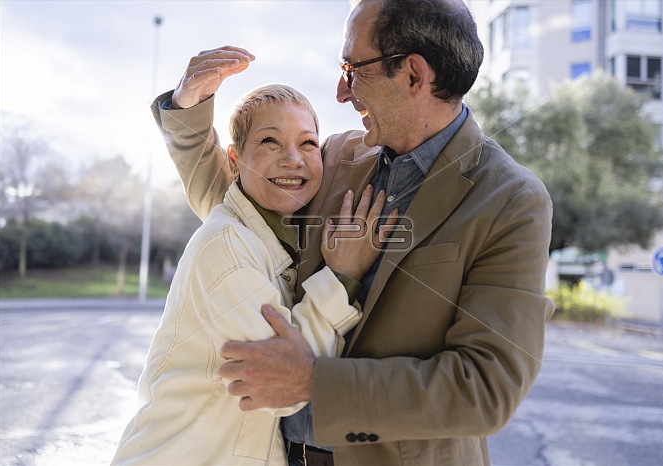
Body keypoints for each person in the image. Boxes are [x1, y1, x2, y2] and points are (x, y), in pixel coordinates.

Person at [151, 0, 555, 464]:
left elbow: (484, 388)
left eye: (352, 69)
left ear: (413, 75)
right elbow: (240, 204)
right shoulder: (335, 157)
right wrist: (188, 110)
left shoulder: (511, 199)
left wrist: (312, 382)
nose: (342, 92)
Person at [113, 82, 396, 465]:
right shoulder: (227, 248)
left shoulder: (273, 238)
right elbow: (279, 383)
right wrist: (342, 276)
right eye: (270, 142)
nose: (292, 159)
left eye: (308, 143)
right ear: (234, 160)